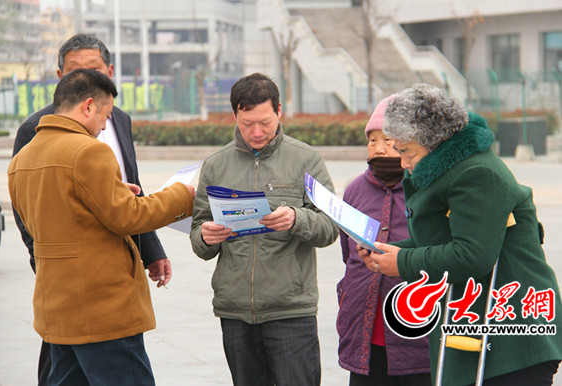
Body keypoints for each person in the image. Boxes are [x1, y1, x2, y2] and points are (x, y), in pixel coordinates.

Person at [359, 83, 562, 385]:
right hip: (476, 322)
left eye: (406, 151)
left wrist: (403, 263)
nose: (402, 162)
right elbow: (439, 239)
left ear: (431, 141)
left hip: (512, 333)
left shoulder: (476, 173)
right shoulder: (446, 168)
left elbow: (472, 255)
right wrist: (388, 252)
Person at [8, 68, 195, 385]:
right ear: (89, 106)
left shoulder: (22, 159)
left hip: (56, 309)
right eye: (105, 116)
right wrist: (182, 196)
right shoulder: (89, 151)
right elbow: (128, 218)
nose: (103, 127)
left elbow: (54, 217)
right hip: (102, 309)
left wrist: (116, 194)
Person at [189, 72, 339, 386]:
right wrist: (205, 236)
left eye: (265, 123)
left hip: (290, 309)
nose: (256, 132)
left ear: (279, 112)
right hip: (235, 310)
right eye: (247, 124)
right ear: (234, 116)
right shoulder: (216, 165)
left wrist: (297, 219)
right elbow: (198, 233)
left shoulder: (306, 160)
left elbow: (329, 227)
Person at [337, 95, 431, 385]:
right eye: (372, 140)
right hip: (364, 335)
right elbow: (347, 253)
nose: (378, 149)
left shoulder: (428, 189)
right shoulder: (355, 190)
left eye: (388, 140)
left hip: (417, 334)